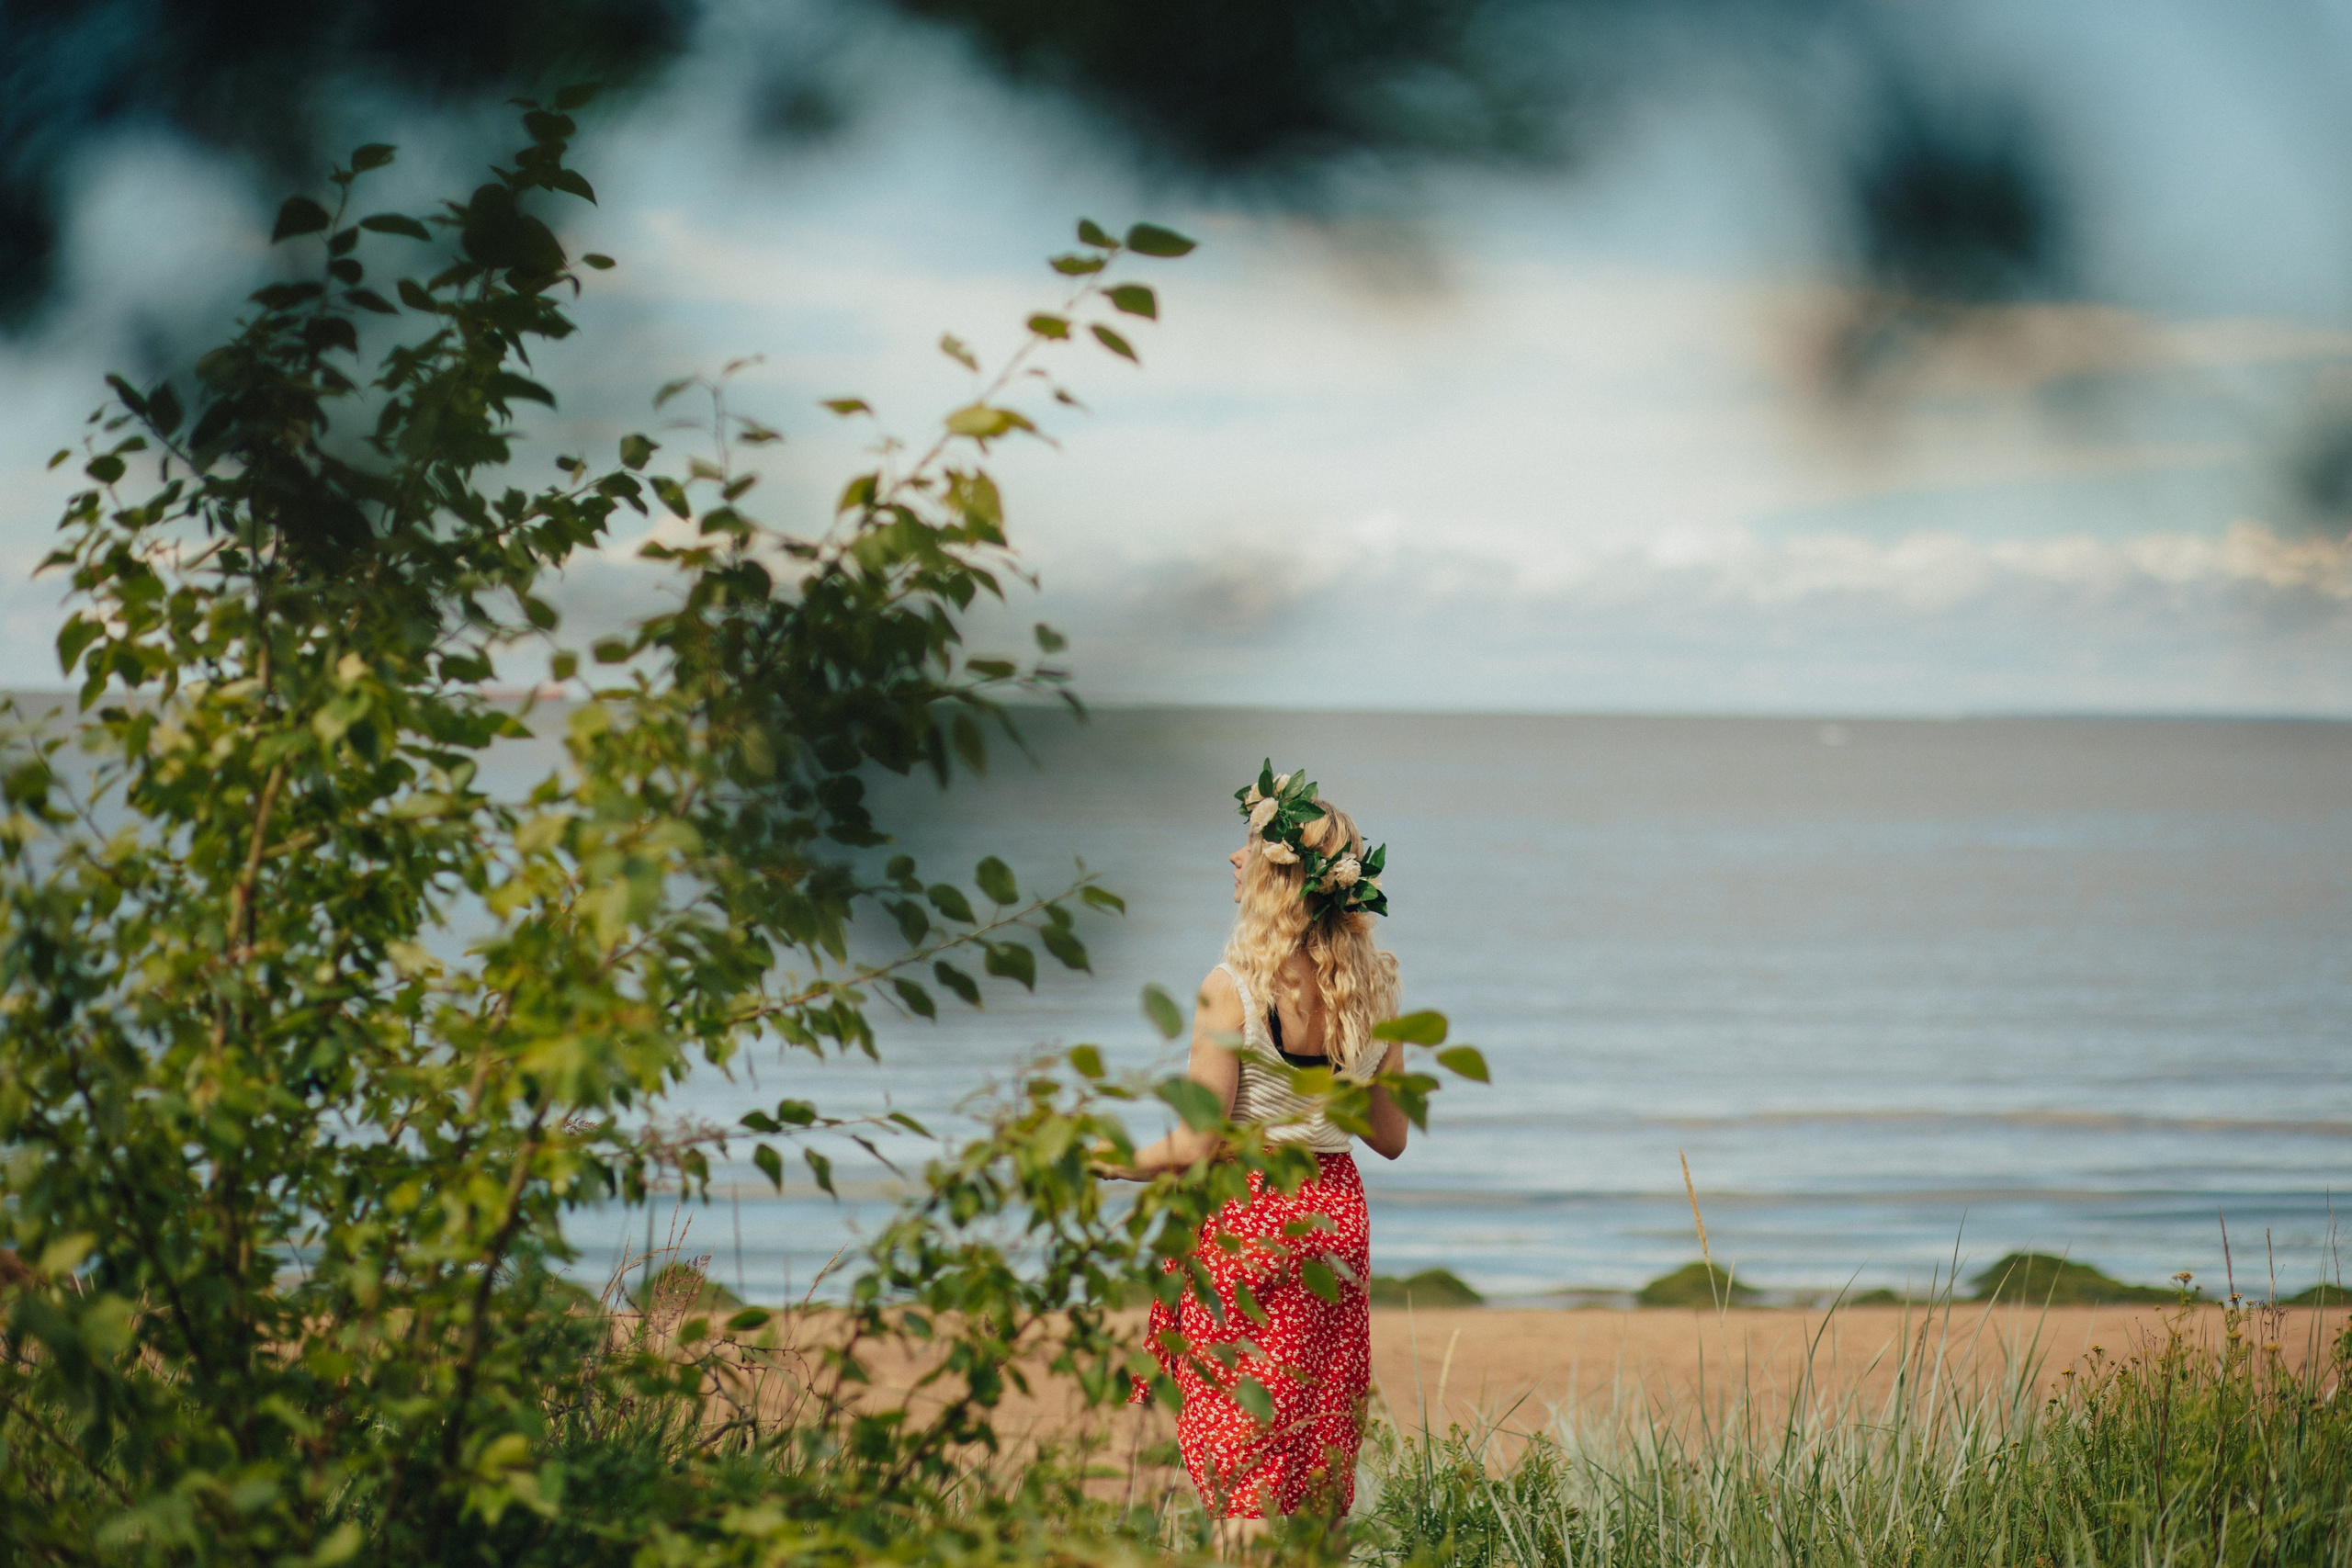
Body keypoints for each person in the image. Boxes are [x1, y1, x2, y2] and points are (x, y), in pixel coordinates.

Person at [1096, 762, 1412, 1546]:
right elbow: (1390, 1136)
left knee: (1245, 1460)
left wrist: (1110, 1160)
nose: (1235, 858)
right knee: (1312, 1444)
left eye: (1250, 847)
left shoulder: (1232, 987)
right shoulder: (1376, 989)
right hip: (1334, 1216)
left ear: (1282, 878)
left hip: (1248, 1217)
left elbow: (1198, 1142)